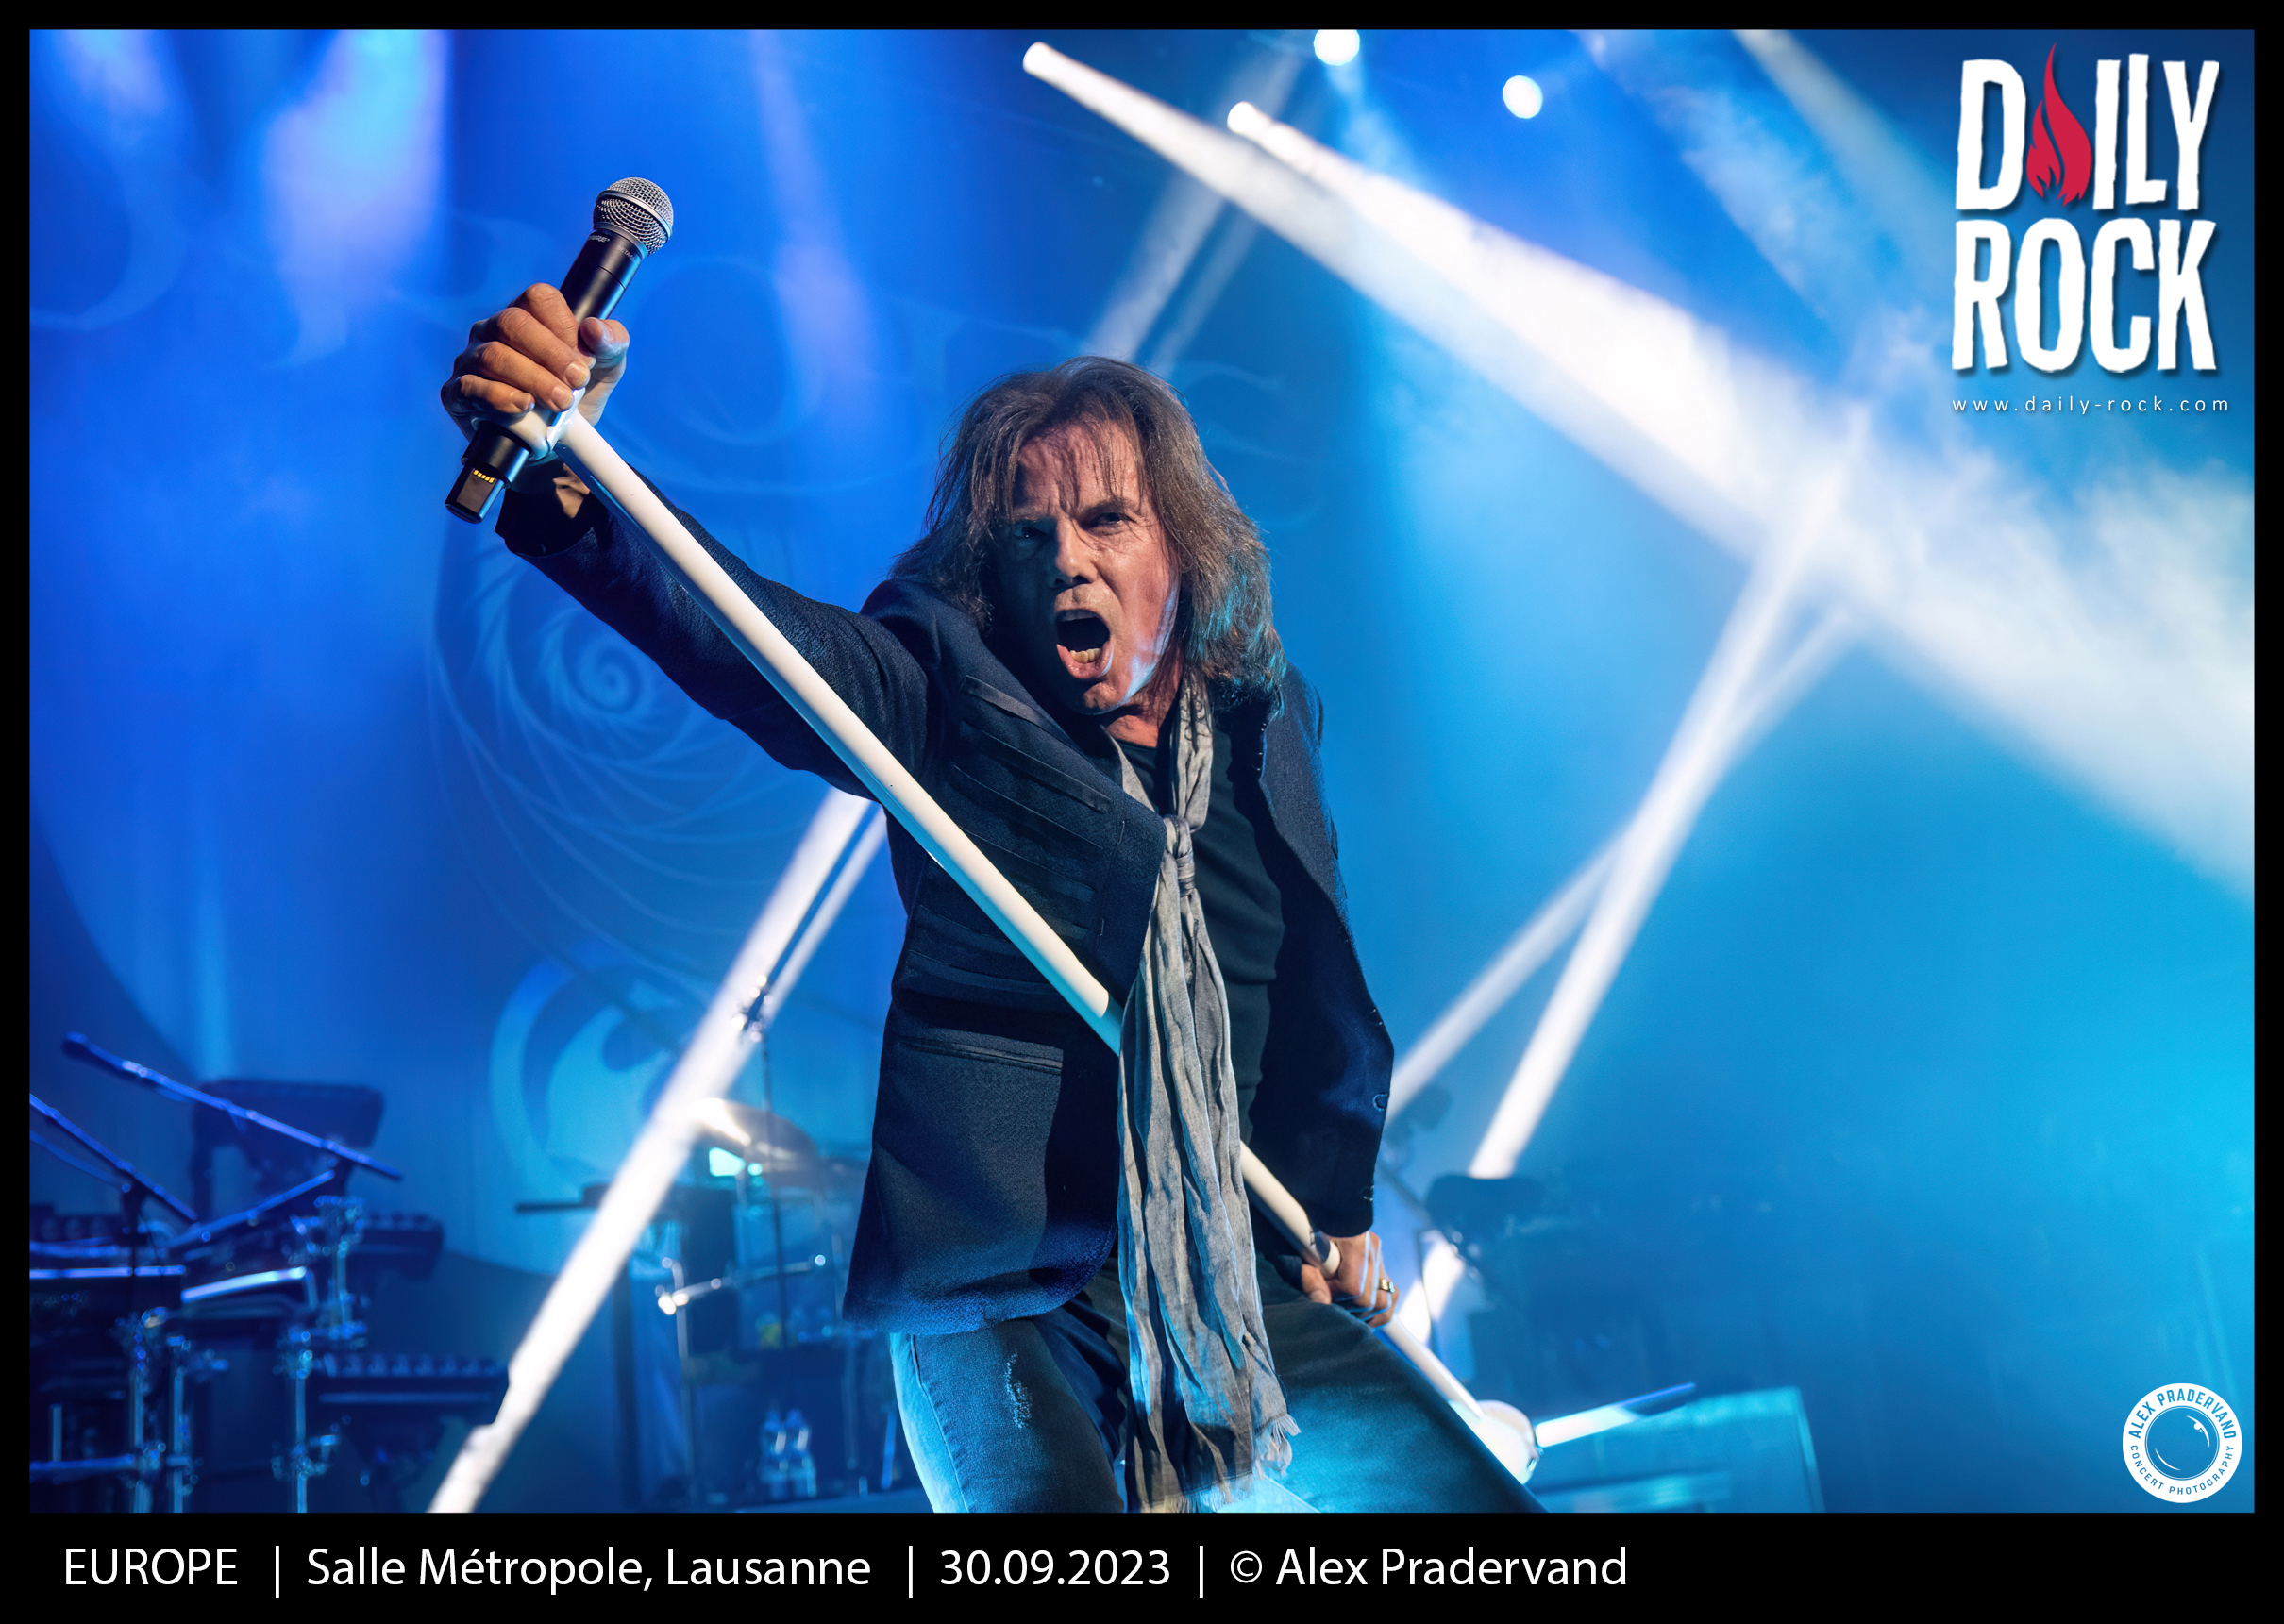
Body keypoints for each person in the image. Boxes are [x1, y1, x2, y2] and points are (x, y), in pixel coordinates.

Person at [443, 284, 1539, 1514]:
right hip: (1003, 1284)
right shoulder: (946, 692)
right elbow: (754, 640)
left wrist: (1332, 1199)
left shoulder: (1263, 716)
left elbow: (1306, 974)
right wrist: (572, 478)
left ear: (1181, 546)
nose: (1067, 556)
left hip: (1230, 1262)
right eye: (1029, 535)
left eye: (1107, 519)